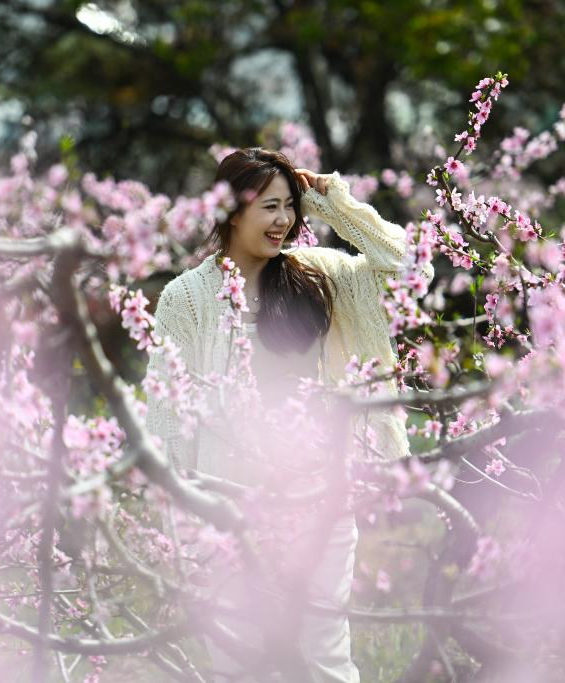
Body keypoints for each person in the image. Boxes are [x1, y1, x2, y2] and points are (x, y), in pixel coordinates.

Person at [146, 147, 431, 681]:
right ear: (232, 211)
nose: (284, 221)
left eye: (289, 207)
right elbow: (168, 420)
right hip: (228, 511)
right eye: (269, 207)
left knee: (325, 659)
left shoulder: (316, 275)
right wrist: (180, 527)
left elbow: (410, 266)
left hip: (318, 501)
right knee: (237, 663)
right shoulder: (185, 299)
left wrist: (332, 204)